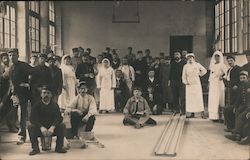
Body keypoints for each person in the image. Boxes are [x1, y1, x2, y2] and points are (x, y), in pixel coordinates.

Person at [28, 86, 67, 155]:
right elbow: (33, 119)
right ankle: (35, 149)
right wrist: (41, 127)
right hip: (40, 129)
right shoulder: (36, 105)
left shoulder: (55, 105)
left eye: (48, 93)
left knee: (62, 125)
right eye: (44, 93)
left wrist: (53, 127)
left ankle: (59, 147)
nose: (46, 95)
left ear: (51, 95)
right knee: (30, 127)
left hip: (51, 129)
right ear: (41, 95)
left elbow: (59, 118)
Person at [8, 48, 33, 144]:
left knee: (22, 114)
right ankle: (17, 131)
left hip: (23, 94)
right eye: (10, 55)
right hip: (12, 94)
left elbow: (34, 72)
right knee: (11, 114)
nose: (12, 57)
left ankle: (22, 136)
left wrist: (28, 83)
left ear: (18, 56)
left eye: (13, 55)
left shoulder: (23, 65)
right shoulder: (10, 68)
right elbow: (9, 80)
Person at [225, 71, 250, 142]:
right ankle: (232, 129)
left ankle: (237, 135)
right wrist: (235, 107)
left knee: (241, 115)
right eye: (241, 78)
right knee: (232, 110)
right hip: (243, 105)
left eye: (244, 78)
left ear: (247, 78)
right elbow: (238, 99)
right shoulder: (240, 86)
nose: (242, 80)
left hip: (248, 106)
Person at [182, 53, 207, 118]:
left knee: (199, 98)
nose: (190, 59)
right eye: (189, 58)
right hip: (189, 85)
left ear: (193, 58)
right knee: (190, 100)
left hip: (196, 84)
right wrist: (185, 82)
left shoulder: (197, 65)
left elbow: (204, 71)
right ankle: (191, 113)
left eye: (191, 58)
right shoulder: (185, 66)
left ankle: (202, 113)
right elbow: (183, 76)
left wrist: (199, 74)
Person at [208, 50, 228, 122]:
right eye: (215, 56)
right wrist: (209, 83)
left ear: (220, 57)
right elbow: (211, 75)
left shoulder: (222, 65)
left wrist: (222, 77)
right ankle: (214, 116)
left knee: (220, 99)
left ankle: (221, 116)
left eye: (218, 56)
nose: (217, 57)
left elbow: (227, 73)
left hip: (219, 84)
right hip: (213, 84)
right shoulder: (213, 65)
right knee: (213, 99)